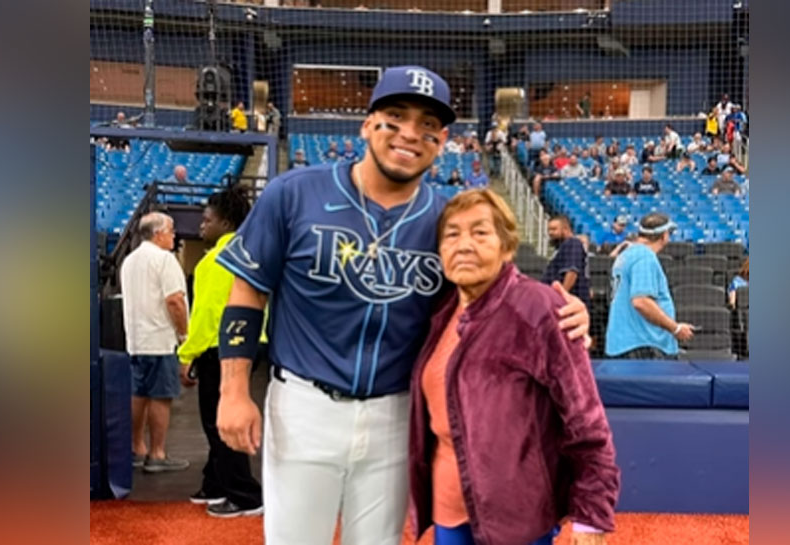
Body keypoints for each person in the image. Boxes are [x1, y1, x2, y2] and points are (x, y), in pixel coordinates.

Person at [212, 66, 590, 545]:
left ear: (442, 140)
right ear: (367, 124)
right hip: (304, 403)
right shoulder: (295, 193)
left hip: (398, 413)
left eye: (427, 125)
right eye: (395, 116)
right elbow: (248, 288)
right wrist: (233, 389)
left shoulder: (444, 221)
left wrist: (560, 318)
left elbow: (495, 298)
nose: (411, 133)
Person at [409, 189, 618, 545]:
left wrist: (591, 514)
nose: (463, 245)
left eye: (480, 232)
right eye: (452, 234)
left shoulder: (539, 308)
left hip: (516, 517)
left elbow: (587, 421)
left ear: (507, 247)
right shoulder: (437, 312)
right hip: (449, 511)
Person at [176, 189, 264, 517]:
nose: (201, 226)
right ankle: (214, 483)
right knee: (218, 418)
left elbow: (205, 315)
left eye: (207, 220)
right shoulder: (251, 252)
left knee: (218, 422)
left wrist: (187, 355)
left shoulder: (214, 261)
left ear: (225, 222)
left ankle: (244, 495)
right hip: (253, 342)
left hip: (219, 348)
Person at [120, 212, 191, 473]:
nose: (174, 236)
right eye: (171, 230)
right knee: (161, 396)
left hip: (137, 339)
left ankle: (136, 447)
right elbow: (175, 301)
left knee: (138, 394)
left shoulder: (129, 261)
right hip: (160, 338)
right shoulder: (164, 260)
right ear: (158, 233)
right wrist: (184, 335)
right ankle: (157, 453)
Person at [605, 213, 695, 359]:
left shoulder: (626, 255)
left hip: (625, 343)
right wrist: (675, 328)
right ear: (664, 235)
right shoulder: (644, 257)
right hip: (643, 345)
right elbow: (641, 302)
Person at [542, 215, 591, 307]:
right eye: (549, 230)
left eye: (554, 229)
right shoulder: (564, 247)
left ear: (565, 229)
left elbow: (572, 272)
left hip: (569, 303)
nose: (550, 233)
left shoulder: (572, 243)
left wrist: (561, 297)